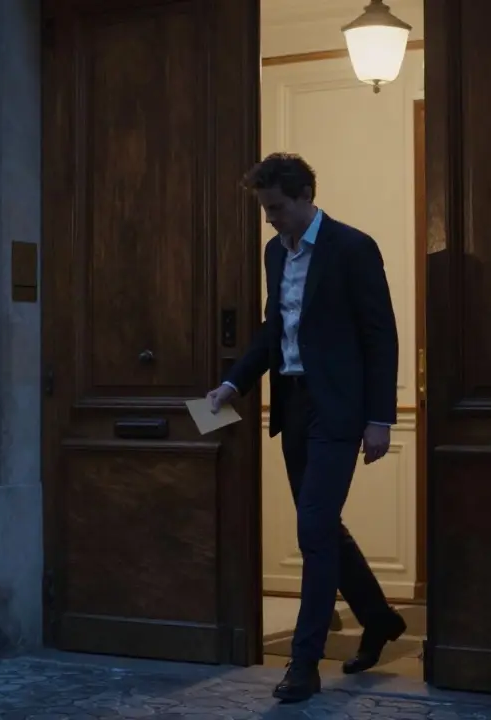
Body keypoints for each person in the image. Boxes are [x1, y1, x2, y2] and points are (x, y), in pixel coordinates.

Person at [207, 153, 406, 702]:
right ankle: (378, 618)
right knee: (321, 527)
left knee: (313, 530)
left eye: (275, 208)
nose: (269, 219)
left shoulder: (353, 248)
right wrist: (233, 385)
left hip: (339, 410)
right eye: (265, 209)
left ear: (303, 197)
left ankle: (303, 662)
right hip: (292, 406)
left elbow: (379, 336)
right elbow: (274, 331)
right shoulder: (277, 252)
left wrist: (379, 419)